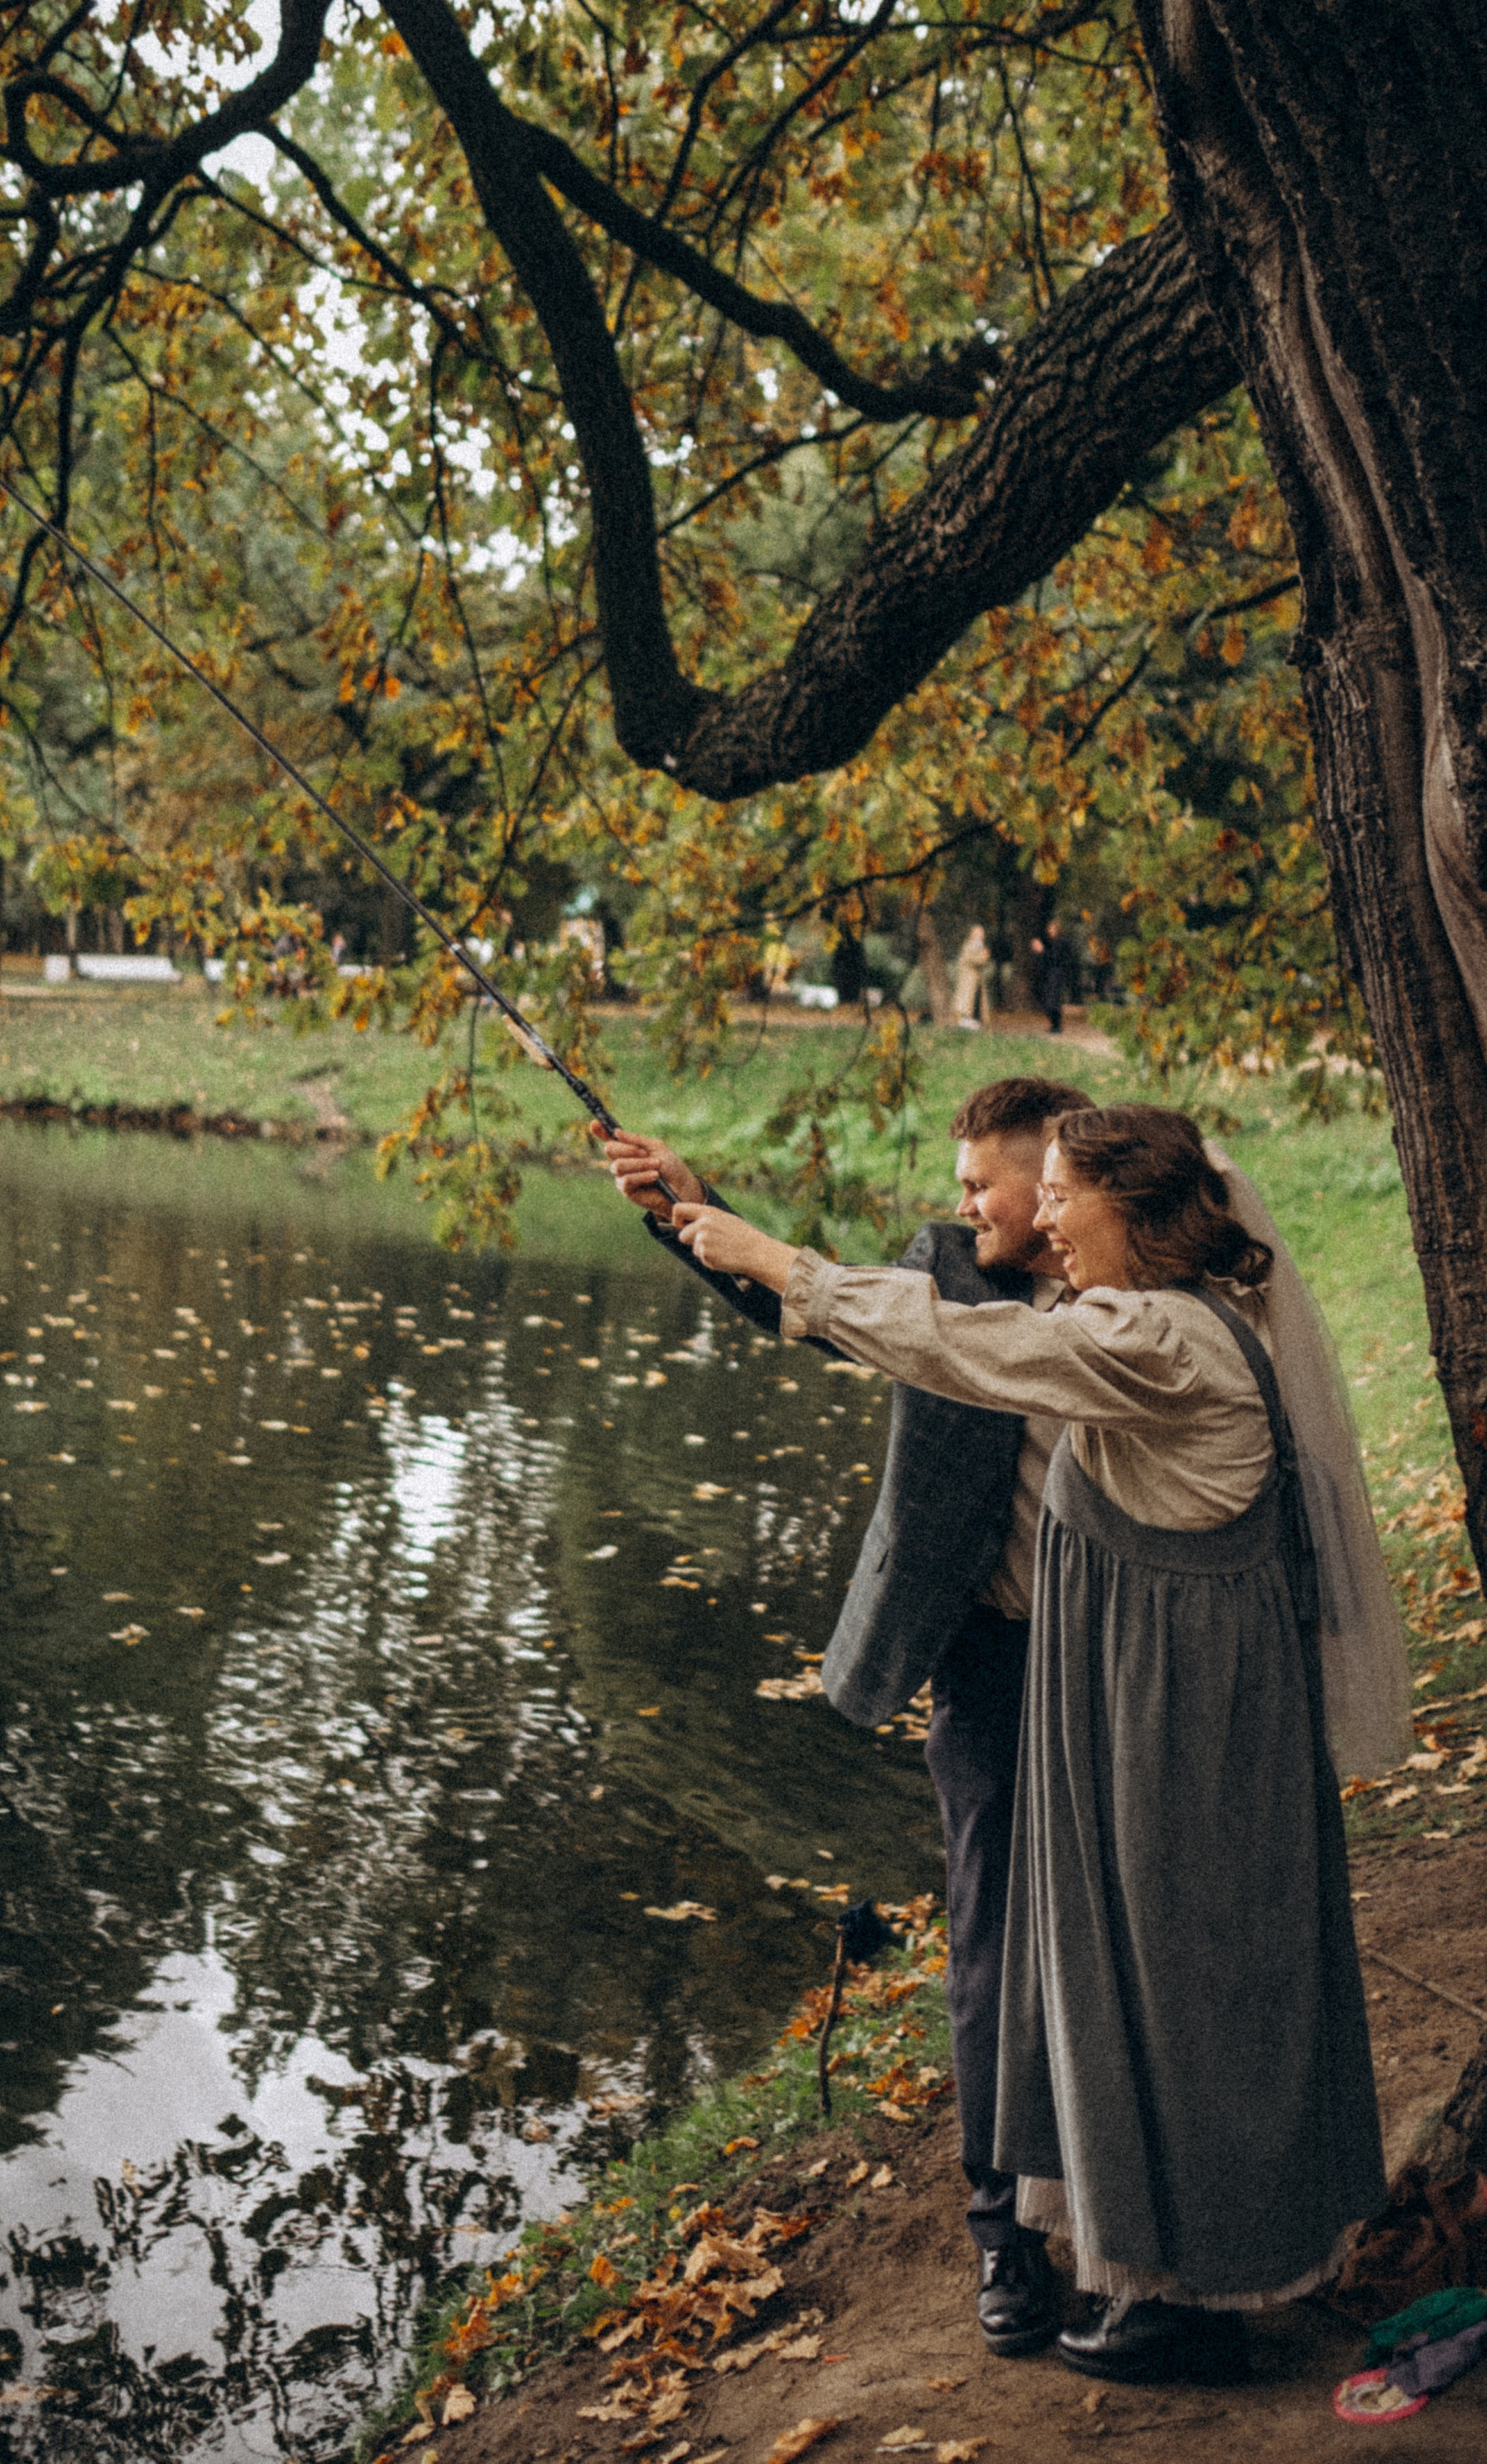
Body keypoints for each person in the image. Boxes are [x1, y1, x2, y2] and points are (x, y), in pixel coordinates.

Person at [666, 1105, 1407, 2382]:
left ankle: (1192, 2295)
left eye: (1059, 1195)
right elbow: (945, 1324)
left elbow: (960, 1346)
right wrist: (721, 1240)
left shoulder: (1156, 1340)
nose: (1041, 1215)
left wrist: (781, 1264)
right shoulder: (1142, 1321)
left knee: (1184, 1998)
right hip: (1144, 1714)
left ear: (1129, 1209)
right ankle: (1143, 2268)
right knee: (1144, 1989)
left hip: (1179, 1729)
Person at [600, 1077, 1092, 2359]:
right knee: (988, 1941)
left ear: (1054, 1192)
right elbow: (813, 1306)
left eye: (981, 1180)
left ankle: (1119, 2213)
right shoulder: (941, 1270)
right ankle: (1004, 2238)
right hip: (986, 1656)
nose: (956, 1200)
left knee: (1108, 1939)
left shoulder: (1133, 1296)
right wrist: (688, 1210)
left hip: (1115, 1664)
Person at [1029, 917, 1078, 1035]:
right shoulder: (1053, 942)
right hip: (1051, 975)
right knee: (1050, 1000)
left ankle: (1057, 1025)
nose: (1049, 930)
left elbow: (1054, 958)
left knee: (1053, 1001)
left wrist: (1042, 950)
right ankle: (1055, 1025)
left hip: (1057, 975)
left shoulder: (1061, 942)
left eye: (1051, 928)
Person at [952, 925, 992, 1031]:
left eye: (982, 932)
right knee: (966, 1000)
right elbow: (972, 958)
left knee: (974, 999)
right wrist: (984, 956)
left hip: (975, 978)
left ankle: (971, 1020)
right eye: (978, 932)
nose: (981, 935)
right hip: (969, 977)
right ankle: (965, 1021)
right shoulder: (973, 944)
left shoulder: (977, 944)